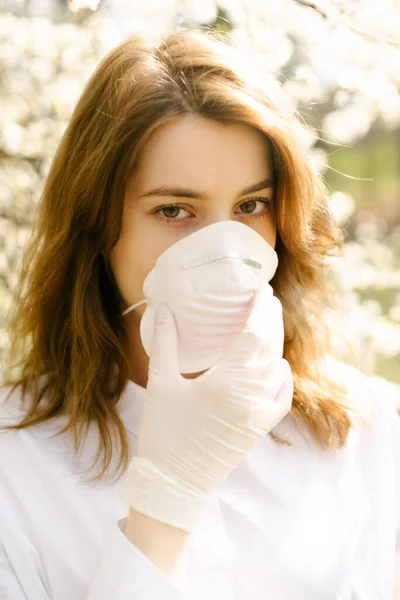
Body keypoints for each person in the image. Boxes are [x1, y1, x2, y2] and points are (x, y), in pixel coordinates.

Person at [0, 28, 399, 600]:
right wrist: (169, 491)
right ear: (97, 228)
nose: (223, 247)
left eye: (251, 205)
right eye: (173, 209)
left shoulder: (357, 428)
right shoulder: (15, 463)